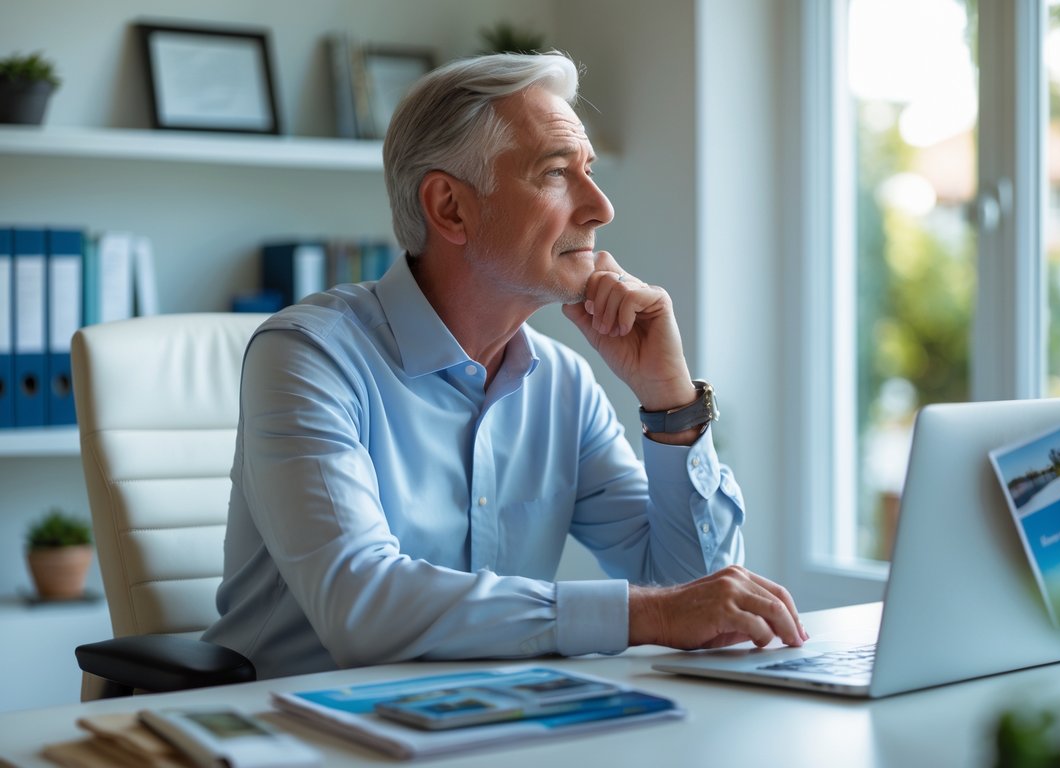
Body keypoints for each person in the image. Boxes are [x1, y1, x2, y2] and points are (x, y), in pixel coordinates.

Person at [202, 51, 806, 679]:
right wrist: (645, 615)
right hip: (295, 724)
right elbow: (363, 608)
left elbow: (699, 595)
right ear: (450, 209)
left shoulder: (564, 383)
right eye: (555, 172)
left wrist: (670, 401)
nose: (600, 207)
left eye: (590, 171)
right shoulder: (309, 356)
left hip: (490, 720)